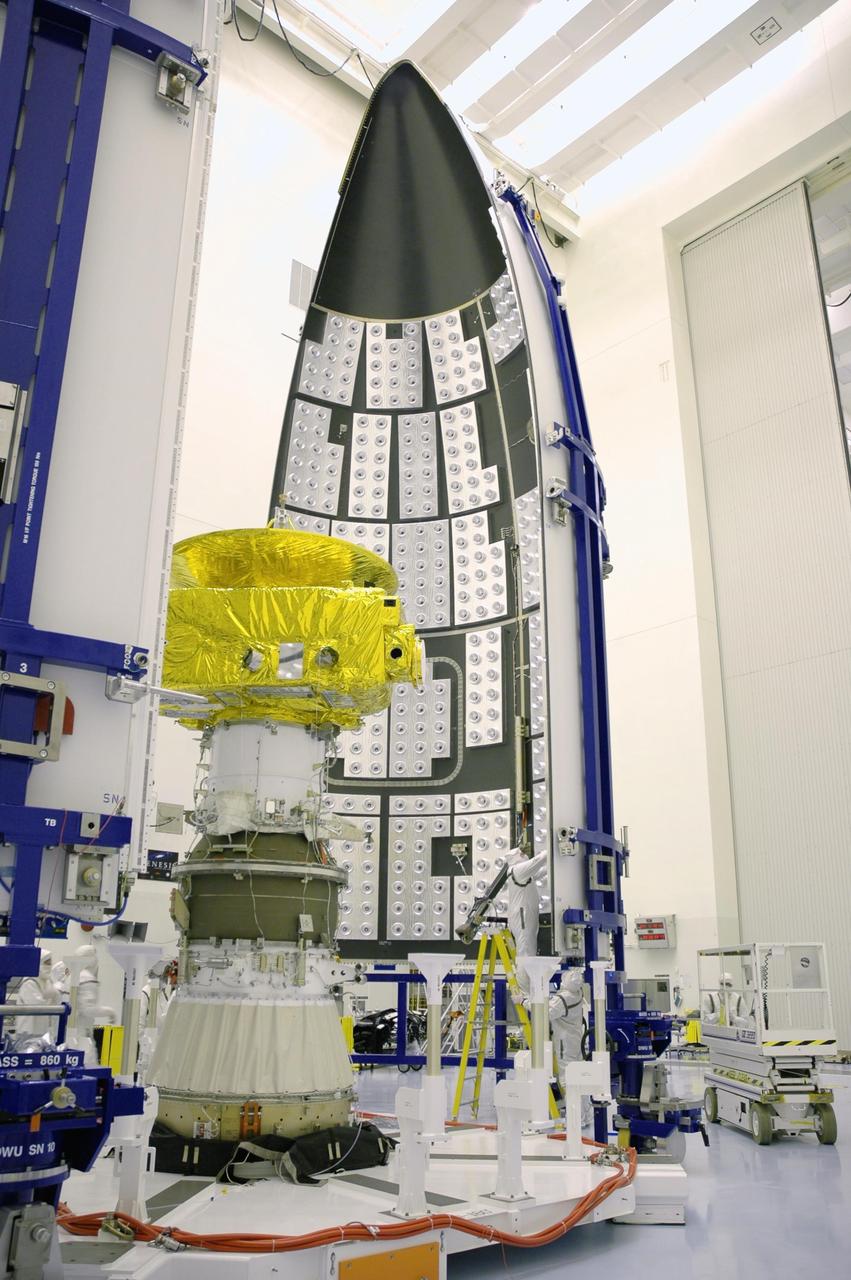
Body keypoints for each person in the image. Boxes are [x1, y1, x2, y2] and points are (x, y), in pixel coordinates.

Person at [549, 968, 592, 1125]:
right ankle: (586, 1115)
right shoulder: (578, 993)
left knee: (567, 1078)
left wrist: (524, 1001)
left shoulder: (563, 998)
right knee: (580, 1077)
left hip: (564, 1043)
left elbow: (545, 1013)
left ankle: (576, 1118)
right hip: (577, 1040)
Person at [505, 848, 548, 995]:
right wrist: (555, 844)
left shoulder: (523, 874)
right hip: (522, 917)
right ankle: (525, 993)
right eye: (522, 854)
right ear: (516, 858)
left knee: (528, 951)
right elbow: (539, 861)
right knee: (525, 953)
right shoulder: (517, 870)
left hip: (526, 917)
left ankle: (529, 989)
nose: (525, 855)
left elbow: (542, 870)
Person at [13, 948, 63, 1047]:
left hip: (43, 1032)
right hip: (28, 1033)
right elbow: (37, 1006)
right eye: (46, 963)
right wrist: (52, 993)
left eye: (50, 963)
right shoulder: (29, 982)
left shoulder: (47, 982)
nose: (48, 966)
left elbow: (56, 1004)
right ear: (37, 963)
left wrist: (56, 992)